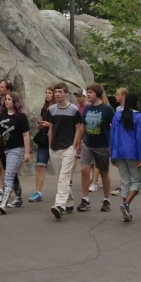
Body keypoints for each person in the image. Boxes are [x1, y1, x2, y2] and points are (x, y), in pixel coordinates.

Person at [49, 82, 84, 220]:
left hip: (68, 147)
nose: (57, 94)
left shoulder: (74, 109)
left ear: (65, 93)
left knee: (64, 177)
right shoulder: (51, 109)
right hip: (55, 147)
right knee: (60, 177)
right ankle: (69, 203)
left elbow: (79, 127)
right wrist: (49, 145)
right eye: (55, 92)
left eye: (60, 92)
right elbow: (51, 128)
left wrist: (75, 144)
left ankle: (59, 205)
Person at [79, 83, 115, 213]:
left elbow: (115, 127)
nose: (88, 94)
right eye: (87, 92)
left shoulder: (107, 109)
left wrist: (113, 144)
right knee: (84, 169)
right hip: (87, 143)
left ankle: (106, 200)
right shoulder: (87, 109)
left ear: (97, 94)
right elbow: (83, 126)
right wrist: (78, 142)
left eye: (91, 92)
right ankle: (85, 199)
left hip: (102, 145)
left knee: (104, 172)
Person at [110, 92, 141, 221]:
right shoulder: (138, 116)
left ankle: (126, 211)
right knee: (136, 181)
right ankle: (126, 204)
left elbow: (112, 135)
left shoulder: (117, 115)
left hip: (119, 152)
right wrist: (140, 156)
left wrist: (112, 155)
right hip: (132, 152)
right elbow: (139, 138)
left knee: (125, 181)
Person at [0, 92, 30, 214]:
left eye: (9, 99)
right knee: (12, 174)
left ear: (15, 102)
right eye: (6, 99)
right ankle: (19, 198)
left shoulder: (21, 116)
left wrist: (27, 152)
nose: (6, 101)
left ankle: (3, 203)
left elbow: (26, 135)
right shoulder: (1, 115)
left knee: (8, 175)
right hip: (3, 148)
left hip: (16, 149)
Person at [30, 86, 54, 202]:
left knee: (61, 168)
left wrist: (49, 125)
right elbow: (40, 120)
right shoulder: (44, 108)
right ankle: (38, 192)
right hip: (44, 140)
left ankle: (64, 192)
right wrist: (39, 125)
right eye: (46, 92)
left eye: (50, 93)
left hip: (56, 141)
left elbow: (60, 124)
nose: (47, 95)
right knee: (40, 166)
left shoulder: (58, 108)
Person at [0, 79, 12, 189]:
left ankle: (3, 188)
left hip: (6, 134)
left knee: (4, 163)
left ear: (8, 90)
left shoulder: (11, 104)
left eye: (2, 87)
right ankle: (9, 175)